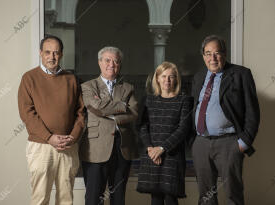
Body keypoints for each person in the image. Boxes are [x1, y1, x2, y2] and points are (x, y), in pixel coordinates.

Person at [190, 35, 260, 205]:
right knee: (205, 196)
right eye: (208, 53)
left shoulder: (240, 74)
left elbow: (253, 112)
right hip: (201, 143)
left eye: (217, 53)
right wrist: (193, 141)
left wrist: (243, 143)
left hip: (229, 143)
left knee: (232, 194)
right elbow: (194, 107)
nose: (212, 58)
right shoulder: (199, 77)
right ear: (203, 56)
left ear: (225, 53)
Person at [18, 35, 85, 205]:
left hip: (67, 146)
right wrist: (49, 137)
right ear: (40, 53)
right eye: (48, 52)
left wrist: (73, 137)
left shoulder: (71, 79)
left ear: (61, 54)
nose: (52, 57)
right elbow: (27, 113)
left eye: (56, 53)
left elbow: (81, 113)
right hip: (41, 146)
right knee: (40, 198)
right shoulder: (29, 78)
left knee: (66, 200)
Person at [79, 46, 139, 205]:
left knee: (118, 198)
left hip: (122, 148)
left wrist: (110, 114)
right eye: (107, 60)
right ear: (99, 62)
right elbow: (96, 107)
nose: (111, 64)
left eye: (116, 61)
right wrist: (121, 105)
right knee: (93, 198)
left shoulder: (128, 87)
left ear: (120, 64)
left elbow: (134, 113)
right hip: (95, 148)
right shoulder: (88, 86)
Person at [137, 62, 192, 205]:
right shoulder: (148, 100)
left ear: (176, 79)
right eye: (163, 76)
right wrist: (150, 148)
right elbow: (142, 126)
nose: (167, 80)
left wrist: (162, 149)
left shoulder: (184, 100)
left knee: (171, 198)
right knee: (155, 197)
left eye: (171, 76)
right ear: (157, 79)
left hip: (172, 155)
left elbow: (183, 129)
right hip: (152, 154)